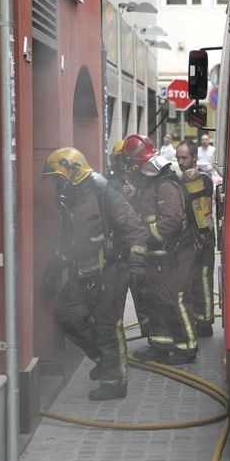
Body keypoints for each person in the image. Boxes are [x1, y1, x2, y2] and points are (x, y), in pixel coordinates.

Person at [42, 147, 147, 400]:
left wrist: (137, 262)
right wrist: (57, 265)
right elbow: (70, 241)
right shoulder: (69, 203)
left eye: (59, 178)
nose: (56, 185)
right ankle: (102, 359)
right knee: (66, 316)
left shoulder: (105, 196)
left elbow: (136, 230)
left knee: (108, 327)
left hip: (111, 272)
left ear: (73, 173)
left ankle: (115, 382)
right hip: (83, 274)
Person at [122, 135, 199, 365]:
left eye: (134, 164)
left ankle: (187, 348)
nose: (132, 169)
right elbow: (148, 206)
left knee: (175, 299)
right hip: (159, 254)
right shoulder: (150, 183)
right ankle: (161, 345)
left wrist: (142, 234)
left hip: (174, 254)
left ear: (142, 163)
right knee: (157, 299)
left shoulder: (165, 184)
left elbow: (170, 222)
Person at [106, 139, 151, 338]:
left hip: (138, 244)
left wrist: (135, 193)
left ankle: (150, 333)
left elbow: (148, 202)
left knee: (144, 295)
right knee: (119, 299)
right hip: (120, 248)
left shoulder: (140, 178)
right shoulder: (111, 182)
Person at [176, 140, 216, 337]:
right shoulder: (180, 179)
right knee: (191, 280)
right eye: (178, 157)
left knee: (203, 280)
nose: (180, 161)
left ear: (194, 158)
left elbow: (204, 211)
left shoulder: (202, 179)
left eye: (184, 158)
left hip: (203, 238)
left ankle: (206, 322)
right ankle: (195, 318)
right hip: (188, 239)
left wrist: (202, 237)